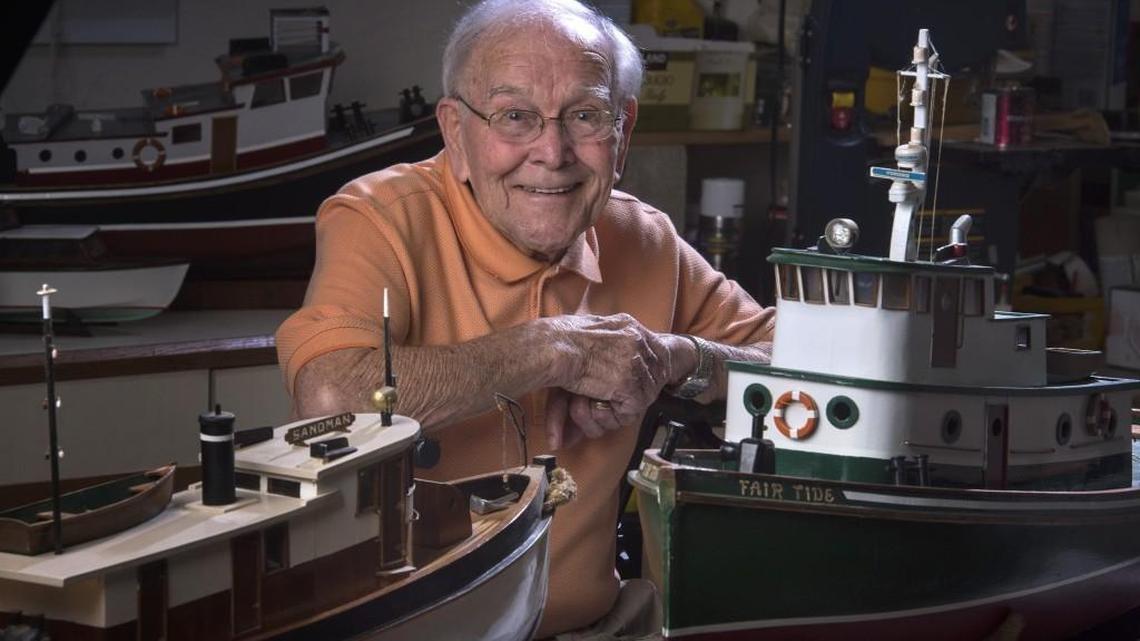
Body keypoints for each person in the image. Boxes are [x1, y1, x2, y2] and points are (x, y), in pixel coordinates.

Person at [275, 0, 775, 636]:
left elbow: (806, 353)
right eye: (515, 117)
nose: (553, 151)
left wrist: (674, 357)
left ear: (622, 132)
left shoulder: (643, 237)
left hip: (592, 626)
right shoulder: (380, 218)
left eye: (586, 117)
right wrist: (551, 349)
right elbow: (327, 398)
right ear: (455, 133)